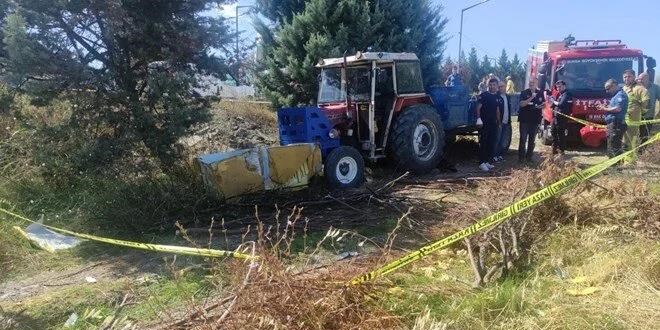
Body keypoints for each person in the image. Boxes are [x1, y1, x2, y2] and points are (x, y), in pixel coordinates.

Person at [622, 69, 649, 162]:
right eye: (625, 77)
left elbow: (646, 102)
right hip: (623, 118)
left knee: (631, 140)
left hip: (633, 119)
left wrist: (639, 111)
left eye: (629, 76)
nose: (627, 78)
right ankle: (624, 159)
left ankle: (630, 162)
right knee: (624, 140)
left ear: (634, 77)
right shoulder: (624, 88)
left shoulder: (639, 88)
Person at [476, 78, 503, 172]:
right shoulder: (483, 95)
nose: (492, 86)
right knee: (483, 142)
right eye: (490, 85)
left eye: (494, 85)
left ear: (497, 86)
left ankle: (487, 161)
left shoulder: (497, 96)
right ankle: (481, 163)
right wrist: (478, 119)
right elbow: (478, 108)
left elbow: (497, 110)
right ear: (488, 85)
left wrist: (499, 122)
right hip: (484, 123)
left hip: (493, 123)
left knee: (491, 143)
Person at [599, 79, 628, 158]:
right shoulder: (615, 96)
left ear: (614, 85)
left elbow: (618, 108)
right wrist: (605, 107)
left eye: (608, 88)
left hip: (616, 123)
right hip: (613, 123)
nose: (607, 91)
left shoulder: (620, 95)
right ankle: (613, 163)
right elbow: (614, 108)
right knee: (611, 143)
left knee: (614, 145)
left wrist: (604, 109)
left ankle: (615, 166)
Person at [518, 78, 544, 163]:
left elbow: (543, 104)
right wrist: (531, 97)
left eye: (533, 82)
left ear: (536, 83)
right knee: (523, 139)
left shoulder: (540, 93)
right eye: (530, 82)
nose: (531, 84)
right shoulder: (524, 92)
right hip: (525, 120)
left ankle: (529, 157)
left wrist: (540, 106)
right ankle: (521, 158)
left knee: (532, 140)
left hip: (535, 120)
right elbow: (521, 104)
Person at [548, 80, 571, 155]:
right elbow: (553, 105)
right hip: (555, 117)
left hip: (562, 118)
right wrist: (552, 102)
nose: (558, 88)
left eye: (560, 86)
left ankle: (561, 150)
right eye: (557, 87)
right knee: (553, 132)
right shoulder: (559, 94)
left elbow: (561, 104)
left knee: (560, 134)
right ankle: (554, 149)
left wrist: (553, 101)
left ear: (564, 86)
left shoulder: (567, 94)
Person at [637, 72, 660, 143]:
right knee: (634, 135)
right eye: (639, 79)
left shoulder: (655, 88)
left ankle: (641, 152)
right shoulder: (636, 87)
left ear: (647, 79)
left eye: (641, 79)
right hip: (635, 116)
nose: (639, 81)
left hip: (648, 116)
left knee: (645, 135)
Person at [493, 80, 512, 162]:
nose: (501, 88)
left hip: (506, 122)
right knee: (496, 140)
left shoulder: (508, 96)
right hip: (499, 123)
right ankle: (494, 156)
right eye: (499, 86)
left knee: (502, 140)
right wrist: (498, 121)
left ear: (505, 87)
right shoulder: (496, 96)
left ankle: (499, 155)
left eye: (502, 86)